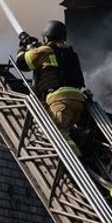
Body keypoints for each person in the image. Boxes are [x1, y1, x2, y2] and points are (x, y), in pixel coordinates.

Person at [15, 20, 88, 154]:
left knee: (58, 133)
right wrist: (34, 47)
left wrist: (23, 49)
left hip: (60, 100)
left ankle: (75, 160)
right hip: (78, 101)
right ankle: (79, 140)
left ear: (47, 36)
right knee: (65, 130)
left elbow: (22, 63)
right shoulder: (70, 53)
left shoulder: (46, 50)